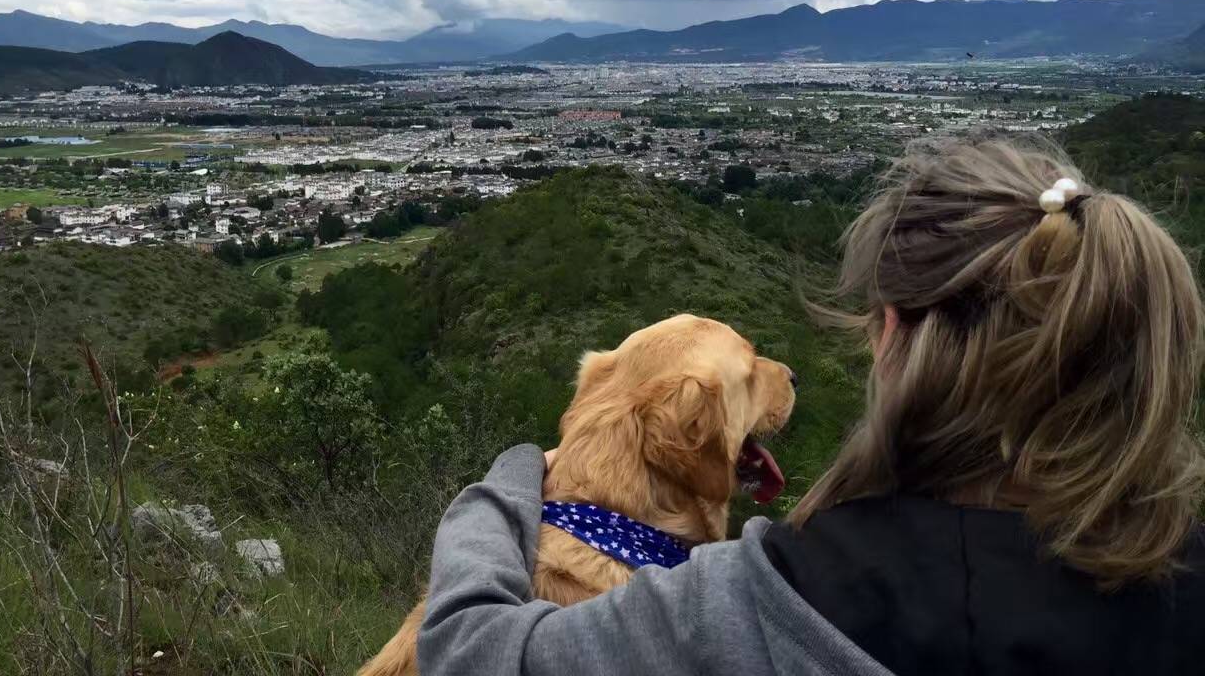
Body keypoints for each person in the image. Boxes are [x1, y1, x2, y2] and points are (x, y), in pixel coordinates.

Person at [415, 135, 1205, 676]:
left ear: (893, 335)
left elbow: (471, 652)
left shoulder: (771, 600)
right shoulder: (1179, 586)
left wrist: (510, 482)